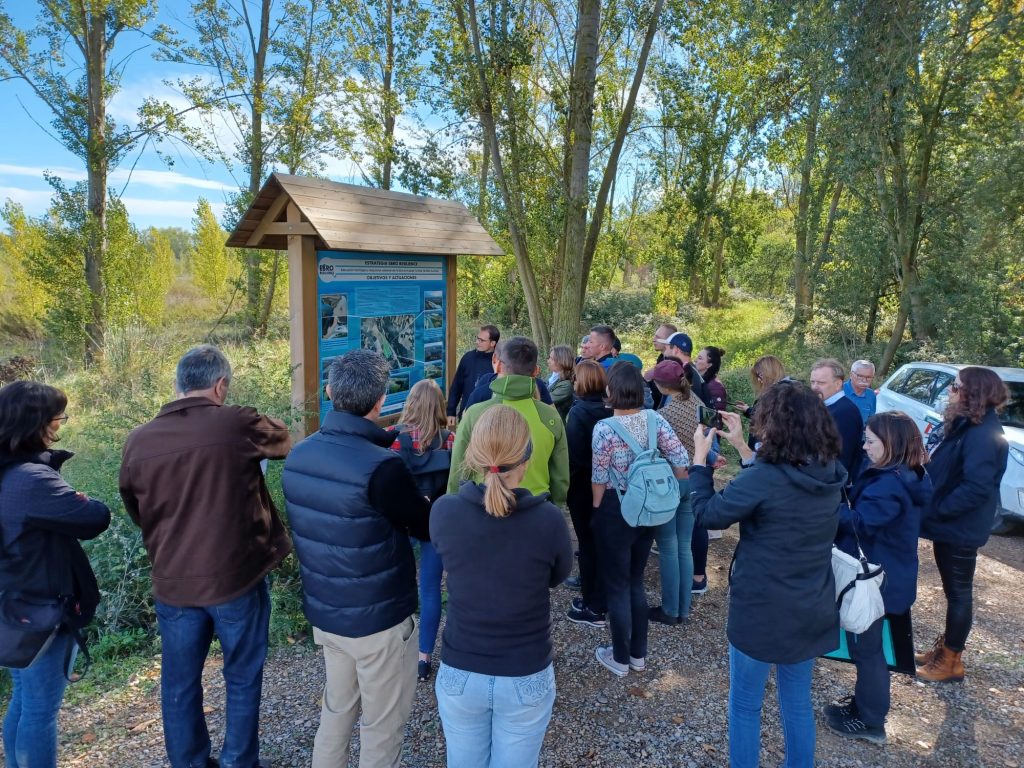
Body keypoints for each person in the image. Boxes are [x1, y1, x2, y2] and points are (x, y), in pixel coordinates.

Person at [120, 345, 292, 768]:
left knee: (178, 684)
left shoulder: (138, 441)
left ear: (177, 386)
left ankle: (190, 762)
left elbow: (134, 508)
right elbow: (283, 439)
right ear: (220, 386)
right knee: (241, 675)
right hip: (236, 578)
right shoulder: (235, 422)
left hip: (174, 580)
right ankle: (238, 761)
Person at [282, 349, 431, 768]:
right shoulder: (382, 467)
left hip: (328, 612)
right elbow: (424, 526)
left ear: (330, 392)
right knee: (383, 724)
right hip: (378, 620)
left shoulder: (299, 456)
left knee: (337, 709)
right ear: (381, 401)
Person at [691, 380, 846, 768]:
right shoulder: (828, 472)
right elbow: (772, 486)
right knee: (796, 703)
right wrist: (743, 446)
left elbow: (708, 514)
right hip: (811, 602)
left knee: (745, 704)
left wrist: (698, 460)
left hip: (761, 607)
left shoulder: (767, 478)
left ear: (774, 427)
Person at [431, 406, 572, 768]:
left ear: (473, 455)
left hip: (461, 669)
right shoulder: (549, 521)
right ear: (527, 457)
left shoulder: (444, 512)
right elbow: (556, 577)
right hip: (525, 670)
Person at [1, 381, 110, 768]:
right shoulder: (31, 480)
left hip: (11, 607)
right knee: (40, 710)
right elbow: (95, 517)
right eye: (57, 418)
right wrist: (79, 497)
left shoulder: (6, 472)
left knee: (24, 698)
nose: (60, 427)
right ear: (36, 424)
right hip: (39, 610)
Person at [824, 411, 932, 744]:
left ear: (891, 443)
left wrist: (825, 507)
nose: (865, 446)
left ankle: (871, 721)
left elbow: (861, 523)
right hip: (889, 573)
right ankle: (863, 707)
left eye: (870, 440)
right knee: (867, 648)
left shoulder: (889, 484)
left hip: (876, 579)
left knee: (867, 651)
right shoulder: (907, 474)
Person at [591, 363, 689, 676]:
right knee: (635, 580)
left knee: (617, 585)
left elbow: (599, 476)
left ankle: (619, 657)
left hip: (615, 509)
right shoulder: (655, 418)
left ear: (610, 391)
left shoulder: (604, 429)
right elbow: (680, 461)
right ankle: (638, 655)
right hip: (649, 509)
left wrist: (597, 509)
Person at [916, 366, 1009, 683]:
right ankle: (946, 649)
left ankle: (951, 661)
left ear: (974, 394)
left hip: (961, 527)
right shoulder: (969, 425)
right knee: (953, 591)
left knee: (958, 593)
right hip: (952, 524)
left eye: (955, 388)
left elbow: (976, 488)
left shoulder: (983, 434)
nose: (949, 393)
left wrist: (938, 510)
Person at [387, 379, 455, 683]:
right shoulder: (450, 439)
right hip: (437, 522)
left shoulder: (394, 439)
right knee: (430, 589)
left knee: (395, 585)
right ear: (439, 406)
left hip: (402, 521)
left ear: (410, 404)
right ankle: (424, 657)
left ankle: (390, 648)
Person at [447, 337, 569, 506]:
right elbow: (560, 476)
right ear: (536, 371)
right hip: (536, 508)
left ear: (497, 363)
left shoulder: (475, 413)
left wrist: (455, 507)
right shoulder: (550, 416)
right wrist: (555, 509)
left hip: (484, 506)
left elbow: (458, 471)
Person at [646, 360, 699, 625]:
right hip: (694, 479)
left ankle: (670, 610)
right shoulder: (697, 402)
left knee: (668, 546)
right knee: (684, 546)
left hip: (670, 482)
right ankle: (684, 609)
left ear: (660, 386)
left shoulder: (662, 417)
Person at [564, 361, 610, 628]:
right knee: (600, 541)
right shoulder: (609, 409)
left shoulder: (579, 412)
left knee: (587, 544)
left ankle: (593, 604)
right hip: (606, 485)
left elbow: (573, 455)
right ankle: (600, 597)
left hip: (582, 486)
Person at [809, 359, 864, 482]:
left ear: (838, 384)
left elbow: (841, 458)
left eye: (821, 383)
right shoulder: (823, 405)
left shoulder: (846, 413)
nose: (814, 387)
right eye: (812, 382)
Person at [462, 343, 554, 411]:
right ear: (535, 370)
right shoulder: (538, 385)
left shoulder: (481, 391)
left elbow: (466, 425)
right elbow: (552, 415)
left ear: (497, 362)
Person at [733, 355, 788, 454]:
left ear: (770, 372)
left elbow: (769, 418)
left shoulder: (780, 395)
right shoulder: (777, 391)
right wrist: (748, 410)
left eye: (760, 375)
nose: (758, 379)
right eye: (757, 376)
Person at [448, 325, 500, 426]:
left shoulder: (499, 362)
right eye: (477, 338)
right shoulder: (468, 358)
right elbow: (456, 386)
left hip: (490, 420)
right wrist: (450, 411)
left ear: (492, 343)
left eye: (482, 340)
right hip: (466, 416)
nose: (477, 342)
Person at [661, 332, 711, 406]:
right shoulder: (690, 370)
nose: (664, 353)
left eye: (665, 348)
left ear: (675, 350)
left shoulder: (685, 374)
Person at [646, 323, 678, 409]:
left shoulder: (673, 365)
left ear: (668, 341)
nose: (653, 340)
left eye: (658, 337)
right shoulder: (662, 357)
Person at [547, 345, 576, 422]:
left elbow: (544, 400)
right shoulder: (552, 377)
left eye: (551, 359)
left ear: (561, 361)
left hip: (555, 424)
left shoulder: (566, 385)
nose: (548, 361)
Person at [844, 359, 877, 425]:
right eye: (860, 376)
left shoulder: (871, 395)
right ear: (851, 375)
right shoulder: (837, 390)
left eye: (869, 377)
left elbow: (870, 419)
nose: (864, 380)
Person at [694, 346, 728, 411]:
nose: (695, 360)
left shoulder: (716, 387)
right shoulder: (699, 381)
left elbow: (718, 415)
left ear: (709, 365)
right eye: (697, 357)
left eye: (700, 358)